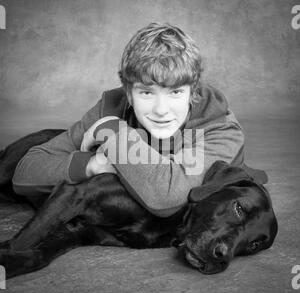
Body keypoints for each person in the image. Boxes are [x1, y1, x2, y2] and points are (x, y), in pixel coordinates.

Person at [12, 22, 244, 217]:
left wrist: (112, 132)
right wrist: (93, 165)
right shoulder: (112, 106)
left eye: (175, 92)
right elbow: (26, 171)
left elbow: (168, 197)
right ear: (129, 93)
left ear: (192, 92)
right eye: (146, 92)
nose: (161, 110)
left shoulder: (220, 129)